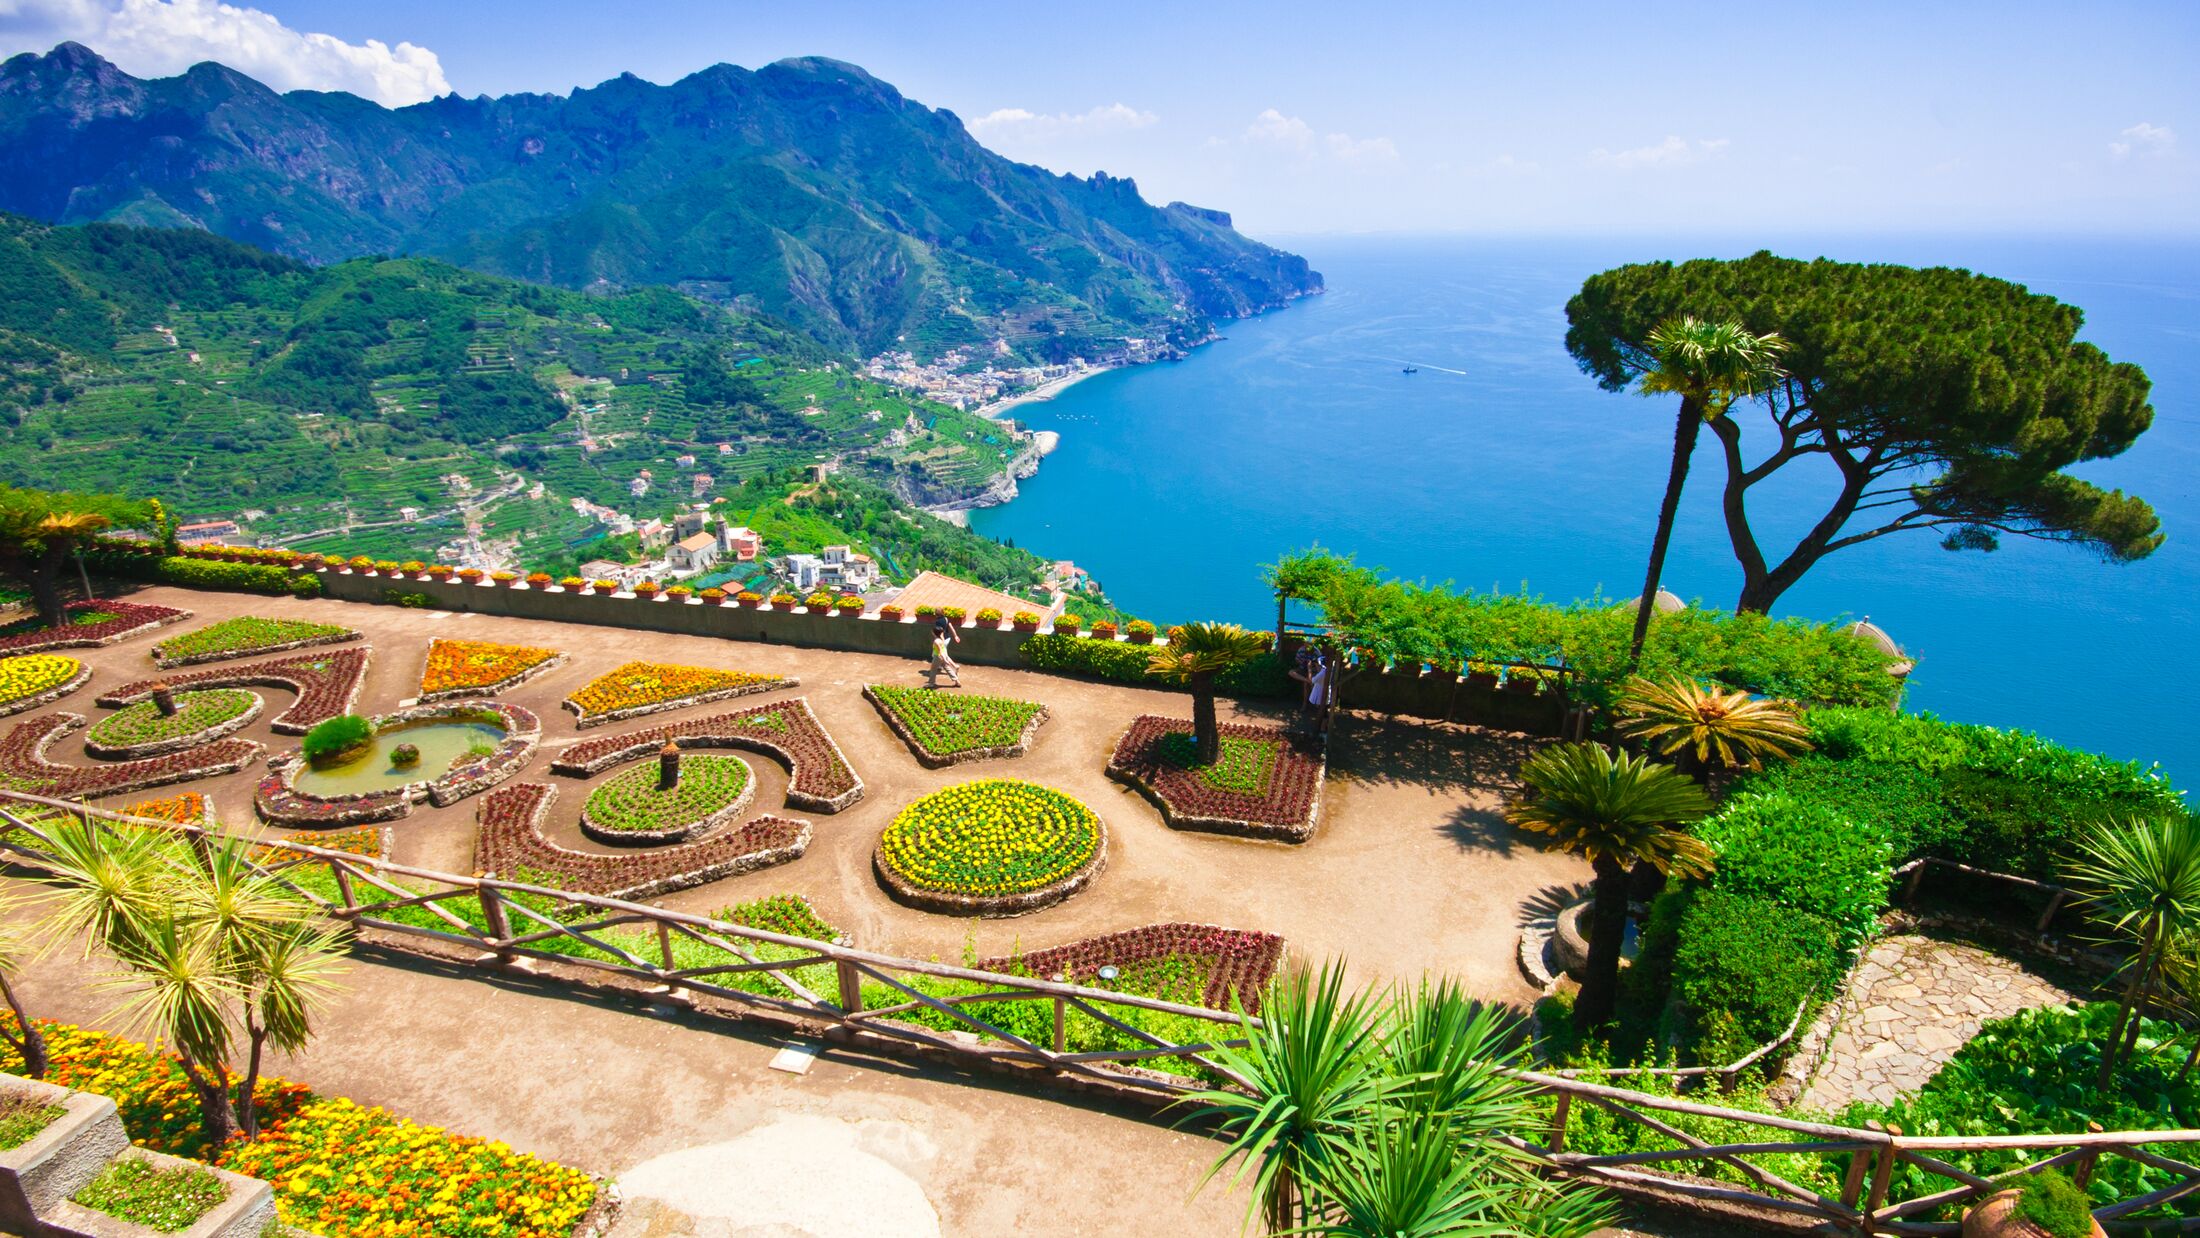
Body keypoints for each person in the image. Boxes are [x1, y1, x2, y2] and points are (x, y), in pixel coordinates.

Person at [928, 611, 961, 687]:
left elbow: (939, 652)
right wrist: (955, 636)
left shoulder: (936, 641)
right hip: (945, 646)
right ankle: (956, 680)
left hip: (938, 657)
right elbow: (949, 629)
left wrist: (945, 659)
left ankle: (931, 683)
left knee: (933, 669)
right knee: (947, 668)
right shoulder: (942, 639)